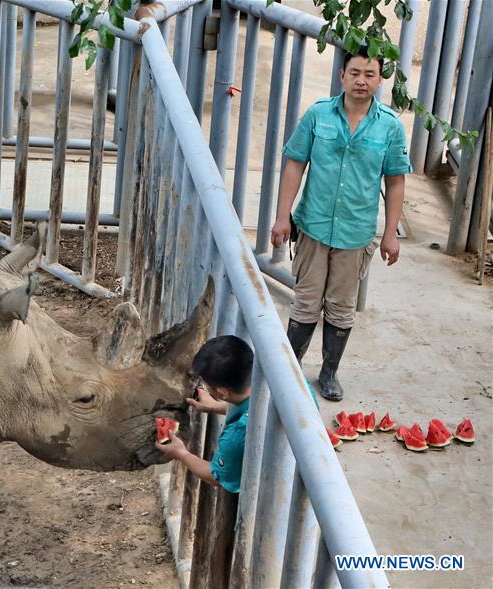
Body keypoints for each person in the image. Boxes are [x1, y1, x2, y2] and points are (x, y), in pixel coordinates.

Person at [270, 45, 412, 402]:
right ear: (342, 76)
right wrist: (282, 216)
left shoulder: (390, 127)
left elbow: (395, 180)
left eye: (370, 74)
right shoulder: (319, 116)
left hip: (355, 232)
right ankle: (291, 368)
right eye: (355, 73)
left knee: (340, 305)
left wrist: (390, 235)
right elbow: (294, 164)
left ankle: (329, 372)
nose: (361, 81)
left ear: (380, 80)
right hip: (314, 225)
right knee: (305, 300)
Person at [155, 335, 253, 494]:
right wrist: (216, 406)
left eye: (207, 386)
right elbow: (256, 409)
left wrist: (181, 453)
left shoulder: (236, 436)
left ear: (222, 392)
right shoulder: (279, 377)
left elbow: (216, 476)